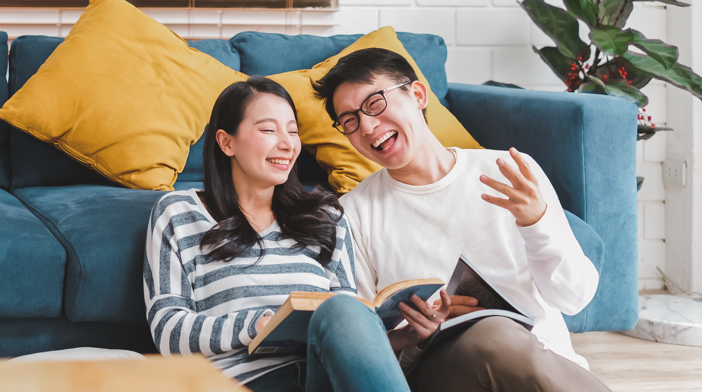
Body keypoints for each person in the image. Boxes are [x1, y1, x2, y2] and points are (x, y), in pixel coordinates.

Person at [311, 48, 611, 392]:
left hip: (541, 363)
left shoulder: (509, 173)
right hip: (438, 371)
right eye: (349, 120)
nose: (366, 126)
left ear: (418, 95)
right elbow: (360, 344)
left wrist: (537, 223)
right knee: (492, 334)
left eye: (375, 103)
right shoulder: (353, 214)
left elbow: (574, 298)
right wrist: (416, 334)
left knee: (499, 335)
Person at [143, 76, 429, 391]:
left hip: (324, 379)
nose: (288, 143)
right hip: (246, 382)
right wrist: (257, 325)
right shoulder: (179, 213)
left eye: (292, 131)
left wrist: (405, 336)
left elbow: (348, 327)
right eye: (268, 130)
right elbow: (168, 330)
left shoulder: (327, 217)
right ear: (226, 142)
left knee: (345, 308)